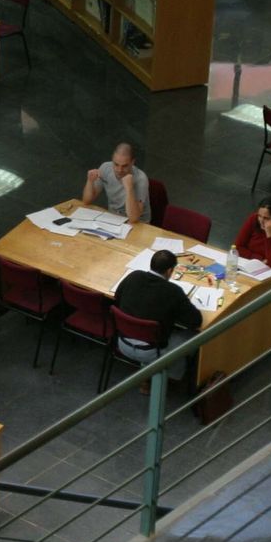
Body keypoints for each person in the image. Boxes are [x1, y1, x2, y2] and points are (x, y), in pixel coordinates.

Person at [113, 249, 204, 385]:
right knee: (195, 334)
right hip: (152, 351)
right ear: (169, 271)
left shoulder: (134, 276)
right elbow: (196, 321)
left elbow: (117, 298)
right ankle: (169, 379)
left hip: (122, 343)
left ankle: (149, 379)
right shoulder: (173, 291)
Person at [82, 142, 150, 223]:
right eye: (116, 164)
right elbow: (86, 201)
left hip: (139, 224)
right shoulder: (106, 168)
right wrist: (90, 181)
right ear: (112, 160)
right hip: (113, 218)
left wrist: (129, 188)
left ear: (132, 162)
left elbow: (134, 218)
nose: (119, 170)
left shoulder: (141, 178)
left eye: (124, 166)